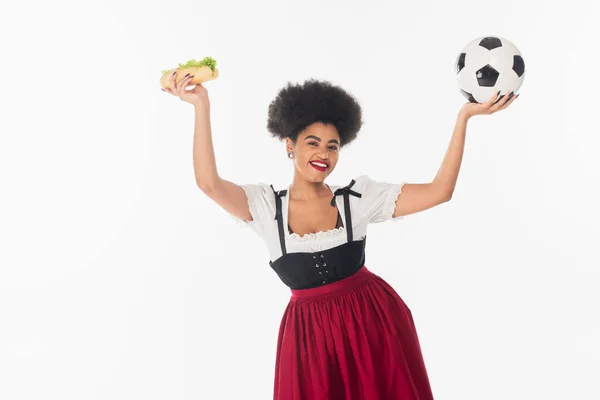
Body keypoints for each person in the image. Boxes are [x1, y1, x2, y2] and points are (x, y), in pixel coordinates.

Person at [163, 73, 518, 399]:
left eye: (333, 146)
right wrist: (201, 106)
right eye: (313, 143)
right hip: (309, 341)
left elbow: (440, 191)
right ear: (290, 145)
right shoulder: (264, 207)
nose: (323, 154)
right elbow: (208, 183)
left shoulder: (357, 199)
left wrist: (463, 118)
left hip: (374, 324)